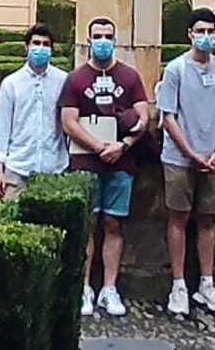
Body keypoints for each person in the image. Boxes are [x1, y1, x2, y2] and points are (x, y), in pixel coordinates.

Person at [60, 17, 149, 319]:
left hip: (121, 161)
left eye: (108, 36)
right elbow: (69, 121)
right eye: (97, 36)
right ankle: (83, 286)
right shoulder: (75, 79)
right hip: (85, 160)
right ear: (88, 40)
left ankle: (109, 287)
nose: (102, 41)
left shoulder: (130, 77)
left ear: (115, 39)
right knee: (88, 225)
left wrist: (122, 145)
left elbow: (143, 116)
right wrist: (97, 146)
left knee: (114, 223)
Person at [158, 7, 215, 316]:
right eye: (200, 31)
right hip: (179, 157)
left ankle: (206, 282)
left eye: (210, 31)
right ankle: (178, 284)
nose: (206, 37)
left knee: (207, 218)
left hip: (213, 158)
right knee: (178, 216)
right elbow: (168, 117)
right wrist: (191, 152)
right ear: (190, 34)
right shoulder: (176, 69)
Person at [0, 23, 69, 199]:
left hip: (54, 168)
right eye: (36, 43)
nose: (40, 48)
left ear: (51, 49)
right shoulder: (11, 83)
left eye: (45, 44)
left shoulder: (63, 80)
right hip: (18, 168)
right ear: (26, 47)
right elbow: (2, 127)